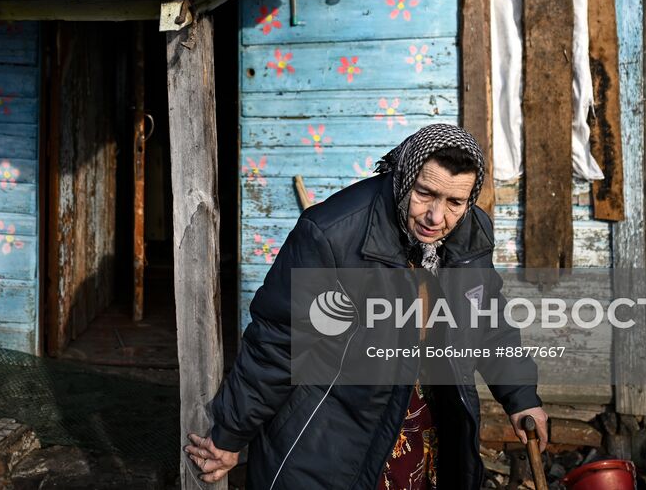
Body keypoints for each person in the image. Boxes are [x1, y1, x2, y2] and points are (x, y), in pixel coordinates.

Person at [186, 124, 548, 489]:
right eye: (425, 193)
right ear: (404, 176)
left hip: (422, 421)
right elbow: (279, 344)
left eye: (454, 202)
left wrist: (520, 397)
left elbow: (488, 320)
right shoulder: (333, 234)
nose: (436, 217)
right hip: (335, 429)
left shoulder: (469, 232)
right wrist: (230, 434)